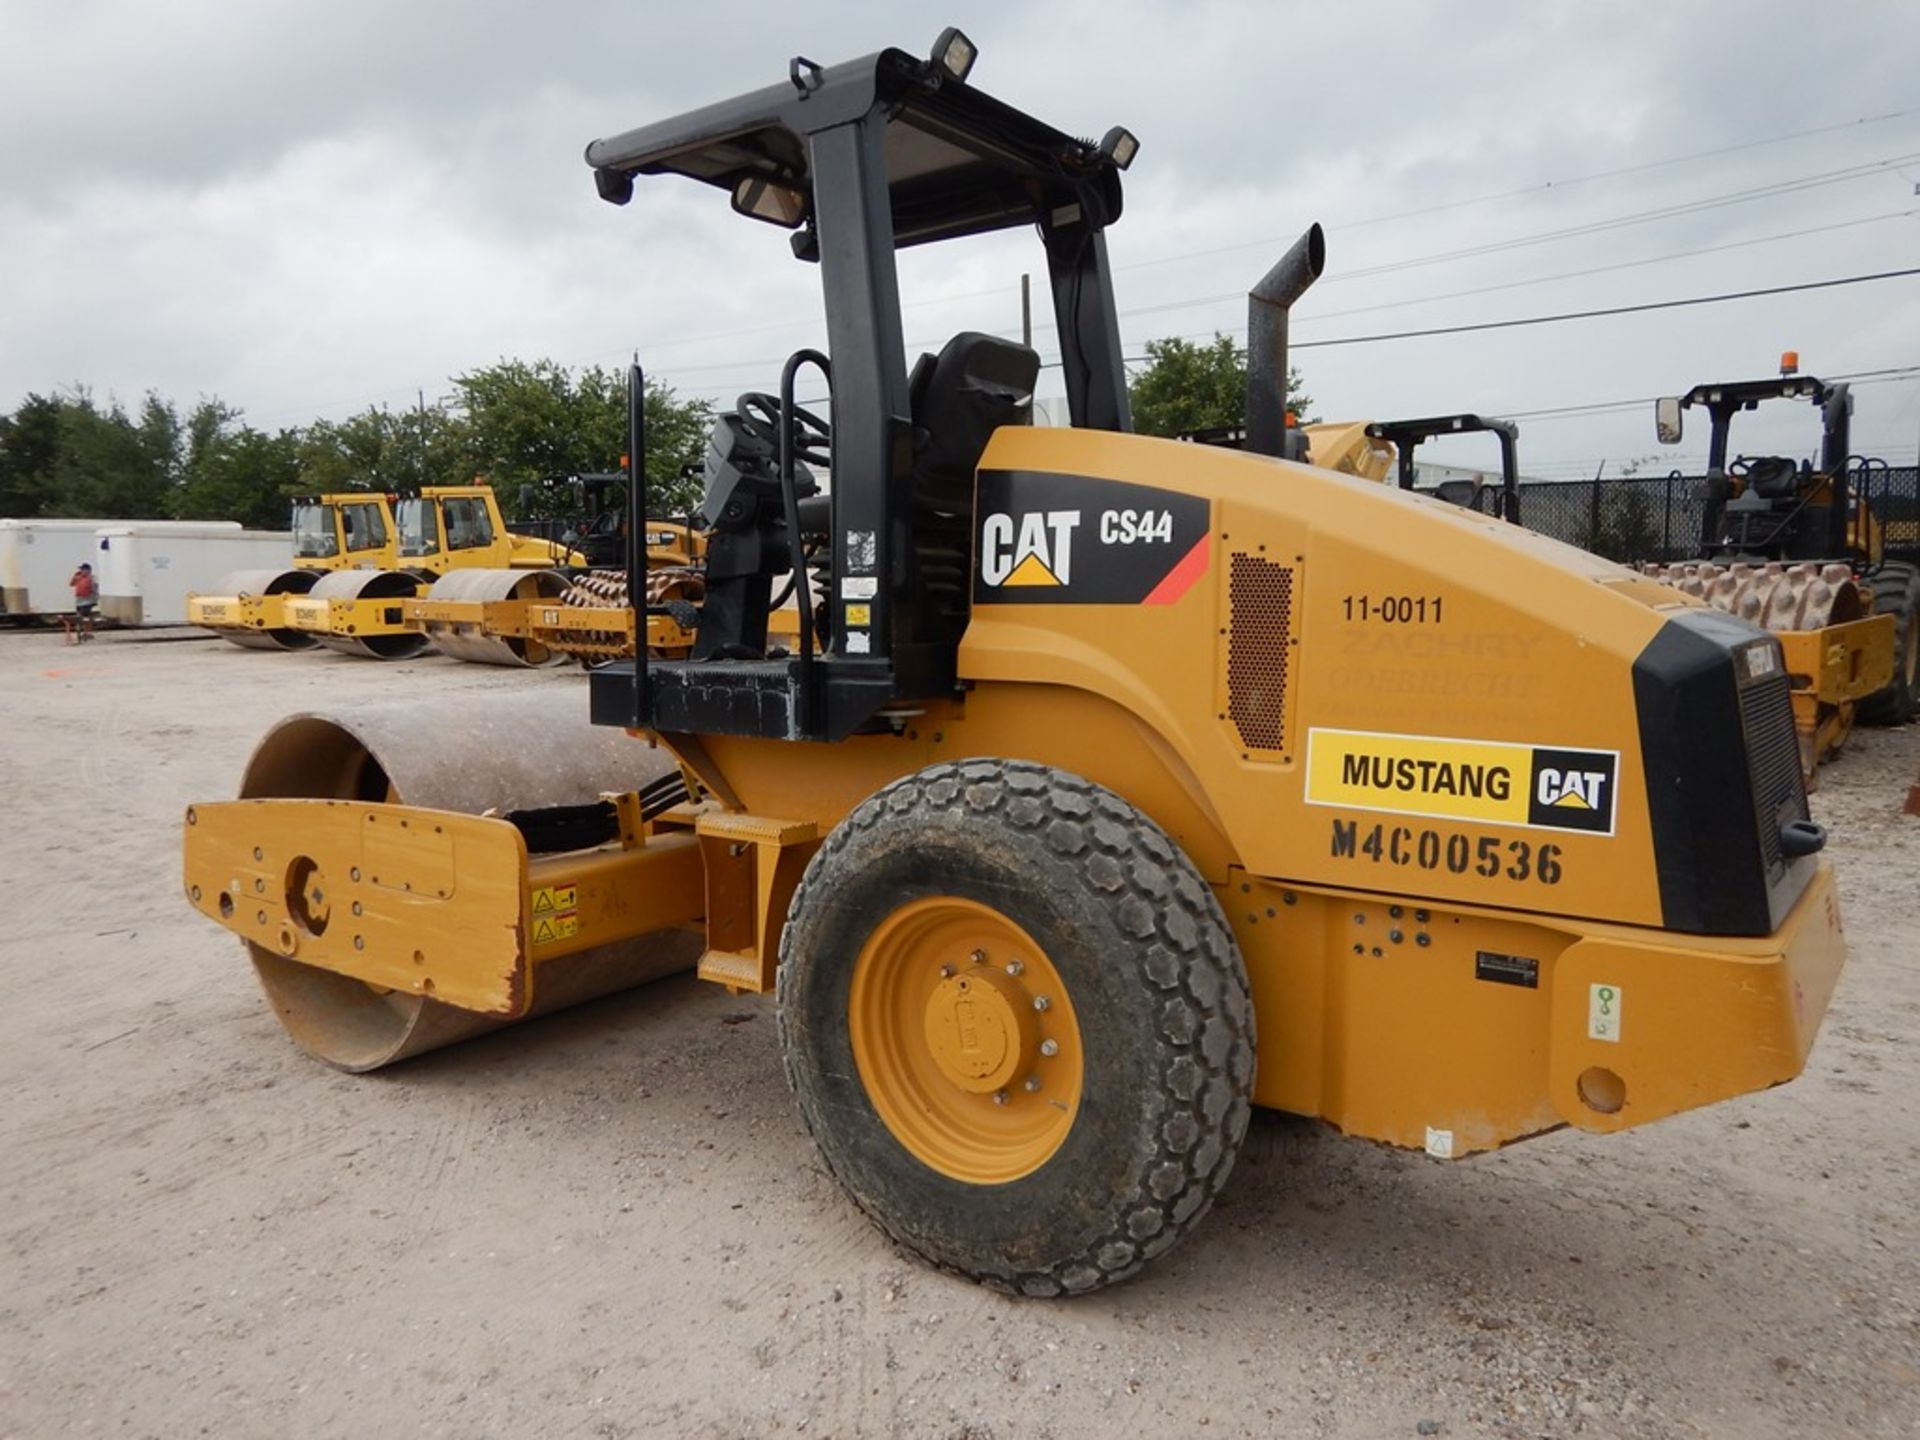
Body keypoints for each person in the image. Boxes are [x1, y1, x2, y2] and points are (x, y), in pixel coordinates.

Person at [69, 562, 99, 641]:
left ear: (88, 570)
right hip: (79, 601)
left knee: (86, 617)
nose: (81, 571)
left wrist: (95, 598)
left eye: (82, 569)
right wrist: (75, 576)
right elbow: (71, 584)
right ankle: (83, 632)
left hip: (88, 601)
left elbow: (95, 589)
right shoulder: (79, 577)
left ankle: (87, 633)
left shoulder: (92, 578)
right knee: (80, 617)